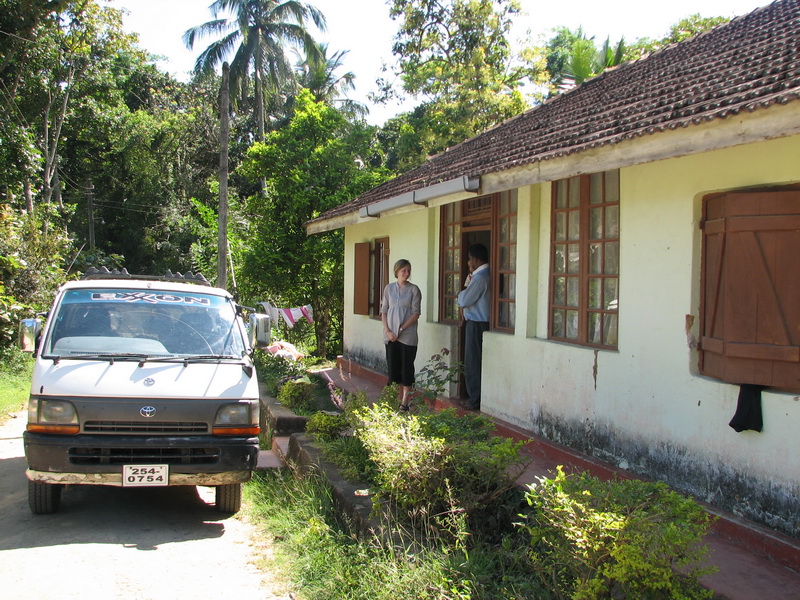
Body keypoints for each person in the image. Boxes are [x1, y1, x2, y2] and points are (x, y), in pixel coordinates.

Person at [380, 259, 422, 411]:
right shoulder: (389, 289)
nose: (407, 273)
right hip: (391, 336)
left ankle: (405, 401)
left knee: (407, 369)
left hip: (407, 336)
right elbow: (384, 310)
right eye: (404, 270)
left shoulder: (414, 290)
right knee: (394, 368)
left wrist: (401, 329)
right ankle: (397, 398)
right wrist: (388, 331)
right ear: (396, 271)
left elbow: (416, 312)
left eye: (408, 270)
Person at [457, 243, 490, 410]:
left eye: (470, 259)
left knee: (472, 361)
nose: (468, 262)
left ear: (475, 259)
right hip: (480, 322)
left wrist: (460, 293)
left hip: (477, 323)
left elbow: (464, 300)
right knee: (476, 360)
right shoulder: (482, 275)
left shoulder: (480, 277)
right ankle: (476, 397)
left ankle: (474, 399)